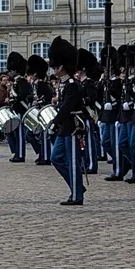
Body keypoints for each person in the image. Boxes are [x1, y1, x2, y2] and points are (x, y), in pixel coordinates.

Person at [47, 37, 85, 205]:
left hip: (72, 127)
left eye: (56, 66)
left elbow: (66, 108)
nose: (54, 69)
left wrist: (54, 123)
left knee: (72, 161)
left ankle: (77, 195)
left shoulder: (72, 84)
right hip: (65, 127)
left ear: (62, 66)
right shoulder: (64, 84)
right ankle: (76, 186)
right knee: (56, 158)